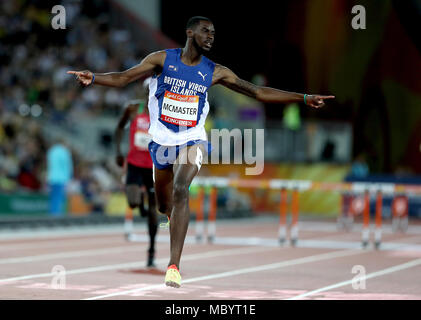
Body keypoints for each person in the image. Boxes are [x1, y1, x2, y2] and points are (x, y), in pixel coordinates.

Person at [68, 16, 335, 288]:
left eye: (214, 33)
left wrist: (302, 98)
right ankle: (169, 216)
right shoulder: (162, 59)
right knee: (162, 204)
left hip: (192, 138)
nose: (211, 36)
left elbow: (257, 92)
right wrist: (95, 78)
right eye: (205, 31)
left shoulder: (215, 71)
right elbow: (124, 78)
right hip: (161, 141)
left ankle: (173, 265)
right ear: (189, 32)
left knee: (181, 188)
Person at [114, 81, 158, 268]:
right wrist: (118, 152)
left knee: (154, 210)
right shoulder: (132, 108)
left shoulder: (163, 112)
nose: (150, 92)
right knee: (132, 202)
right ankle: (139, 201)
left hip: (155, 166)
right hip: (133, 163)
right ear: (144, 90)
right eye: (147, 89)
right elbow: (119, 128)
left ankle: (151, 250)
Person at [46, 138, 73, 216]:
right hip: (61, 178)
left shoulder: (51, 151)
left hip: (52, 178)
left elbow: (49, 165)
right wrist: (70, 176)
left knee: (53, 197)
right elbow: (67, 165)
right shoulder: (64, 152)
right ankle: (57, 215)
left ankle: (52, 214)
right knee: (60, 198)